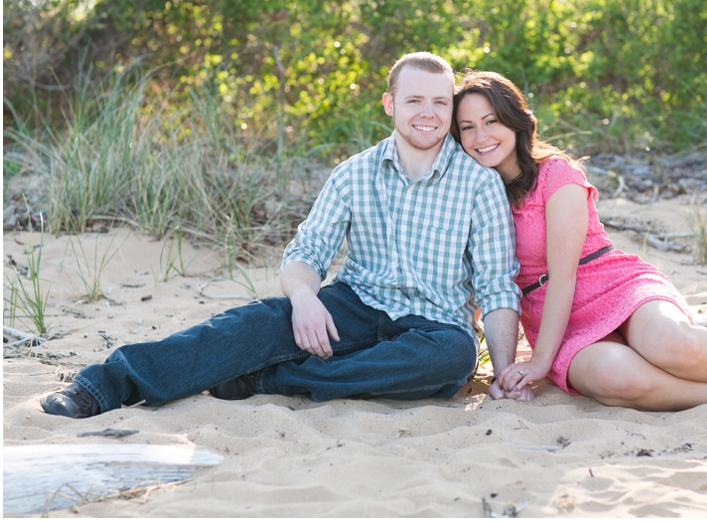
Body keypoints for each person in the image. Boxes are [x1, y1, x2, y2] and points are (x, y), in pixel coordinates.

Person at [40, 53, 525, 419]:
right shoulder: (353, 174)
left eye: (440, 101)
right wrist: (304, 298)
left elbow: (496, 285)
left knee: (452, 360)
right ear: (390, 103)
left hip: (433, 326)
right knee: (254, 323)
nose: (428, 112)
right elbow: (307, 252)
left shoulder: (478, 184)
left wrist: (503, 372)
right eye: (415, 99)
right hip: (353, 306)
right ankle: (102, 386)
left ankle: (271, 377)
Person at [450, 70, 707, 411]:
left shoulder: (556, 174)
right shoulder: (473, 198)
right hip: (560, 324)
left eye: (491, 121)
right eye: (467, 127)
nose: (480, 136)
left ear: (516, 122)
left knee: (669, 345)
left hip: (612, 285)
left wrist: (539, 363)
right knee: (619, 380)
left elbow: (563, 277)